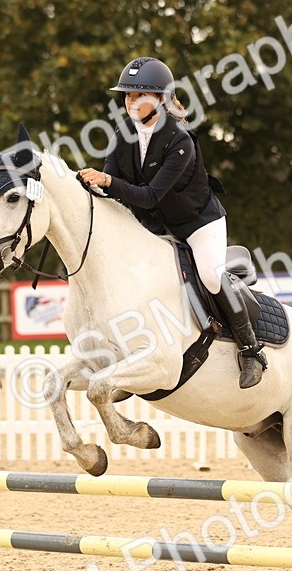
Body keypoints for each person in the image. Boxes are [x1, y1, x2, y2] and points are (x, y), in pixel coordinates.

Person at [75, 56, 265, 389]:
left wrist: (105, 181)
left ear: (160, 99)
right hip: (156, 225)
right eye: (128, 96)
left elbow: (149, 196)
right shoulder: (123, 134)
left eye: (139, 95)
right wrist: (85, 187)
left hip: (198, 223)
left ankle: (251, 349)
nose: (131, 101)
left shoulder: (181, 141)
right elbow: (112, 188)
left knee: (209, 274)